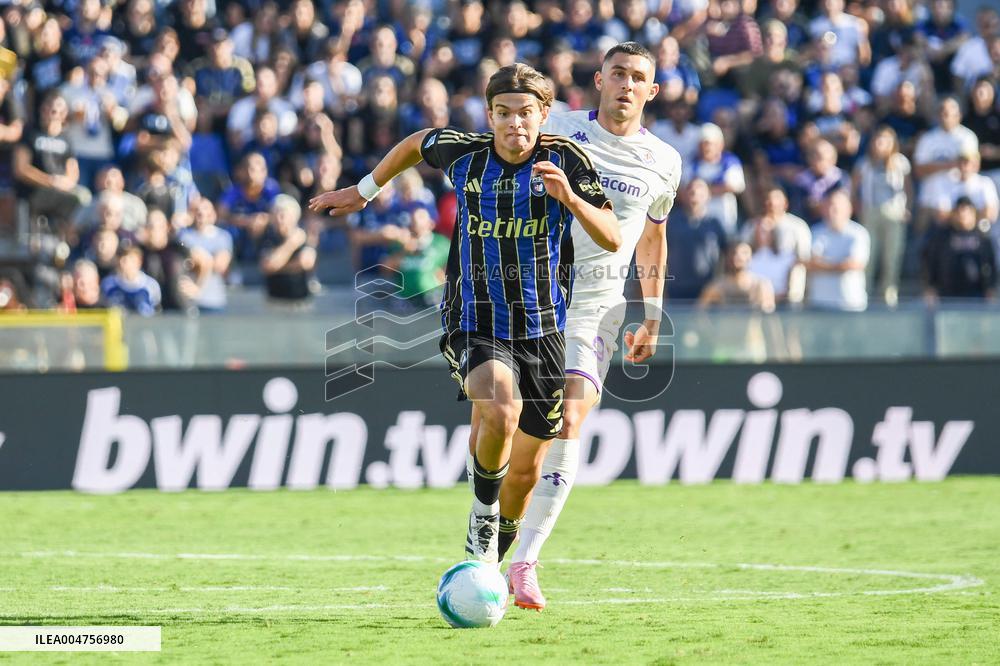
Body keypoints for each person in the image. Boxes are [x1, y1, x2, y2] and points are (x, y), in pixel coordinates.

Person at [308, 63, 619, 586]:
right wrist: (363, 192)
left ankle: (494, 555)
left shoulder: (565, 160)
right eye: (503, 113)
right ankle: (481, 515)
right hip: (473, 317)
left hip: (543, 327)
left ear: (544, 115)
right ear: (489, 114)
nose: (514, 123)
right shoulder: (465, 153)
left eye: (525, 113)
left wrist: (569, 199)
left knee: (526, 470)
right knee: (499, 407)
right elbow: (415, 144)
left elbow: (611, 235)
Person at [466, 42, 681, 611]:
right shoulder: (555, 127)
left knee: (573, 413)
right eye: (618, 74)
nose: (627, 85)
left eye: (639, 78)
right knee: (512, 439)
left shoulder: (663, 161)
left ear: (652, 91)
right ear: (600, 79)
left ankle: (526, 562)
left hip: (597, 307)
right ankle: (488, 534)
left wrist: (653, 313)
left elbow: (652, 237)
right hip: (531, 298)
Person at [852, 126, 912, 306]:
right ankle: (864, 293)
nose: (880, 144)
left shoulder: (901, 163)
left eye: (885, 140)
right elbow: (853, 189)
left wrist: (907, 208)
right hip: (870, 213)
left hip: (894, 214)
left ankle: (889, 297)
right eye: (877, 140)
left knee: (892, 257)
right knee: (869, 256)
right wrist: (858, 208)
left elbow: (908, 189)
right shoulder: (864, 163)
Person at [923, 197, 997, 302]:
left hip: (977, 295)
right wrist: (930, 287)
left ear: (974, 214)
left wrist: (990, 288)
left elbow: (991, 265)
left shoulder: (983, 239)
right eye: (959, 212)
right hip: (947, 294)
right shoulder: (942, 238)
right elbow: (931, 263)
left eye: (967, 212)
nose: (963, 216)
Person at [807, 188, 870, 311]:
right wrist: (839, 264)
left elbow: (853, 264)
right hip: (819, 304)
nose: (831, 212)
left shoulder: (858, 233)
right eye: (828, 207)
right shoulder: (815, 232)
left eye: (835, 208)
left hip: (850, 304)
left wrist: (822, 264)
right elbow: (809, 263)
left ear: (848, 209)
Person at [259, 194, 317, 307]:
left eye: (283, 215)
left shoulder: (304, 235)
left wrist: (278, 264)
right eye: (275, 215)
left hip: (300, 302)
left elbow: (305, 262)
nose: (279, 219)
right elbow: (267, 266)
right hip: (273, 301)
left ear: (294, 217)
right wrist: (291, 244)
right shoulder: (268, 236)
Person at [100, 245, 162, 316]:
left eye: (126, 261)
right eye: (120, 259)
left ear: (138, 262)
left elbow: (157, 311)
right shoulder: (108, 284)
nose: (122, 264)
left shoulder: (151, 285)